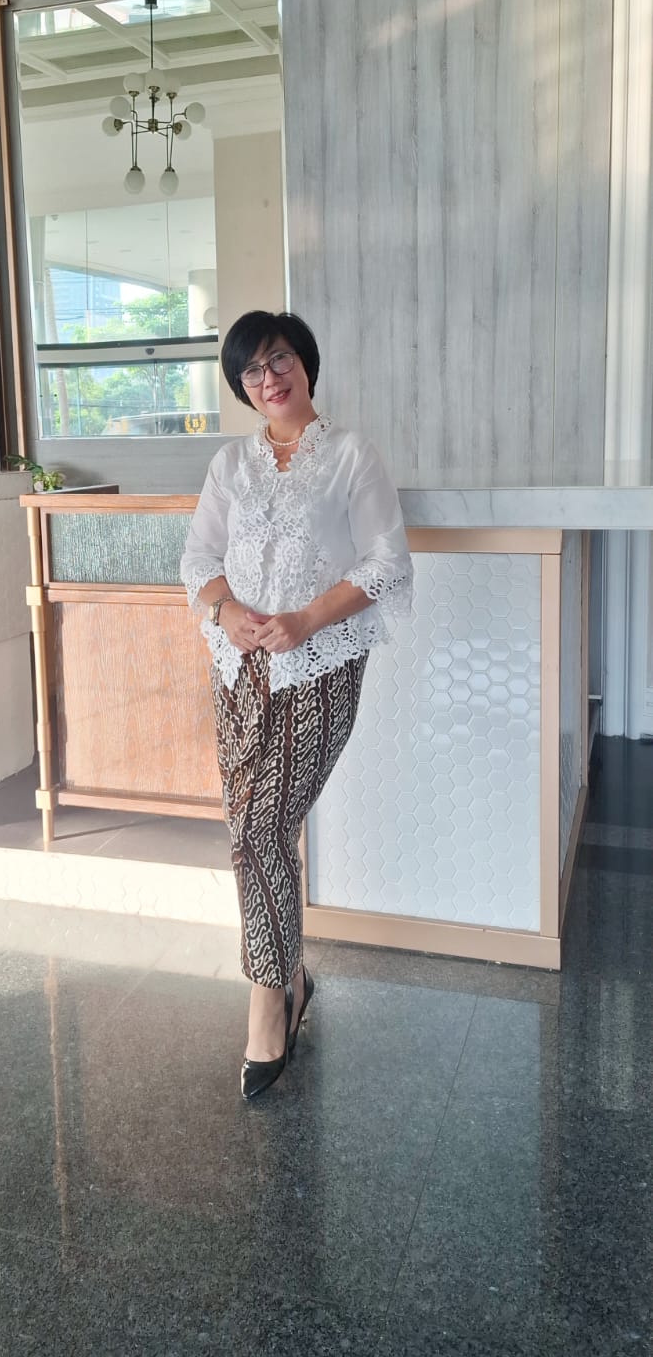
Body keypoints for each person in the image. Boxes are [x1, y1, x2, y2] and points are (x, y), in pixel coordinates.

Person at [180, 311, 413, 1100]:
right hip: (239, 672)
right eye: (250, 370)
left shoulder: (351, 455)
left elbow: (386, 561)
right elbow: (198, 558)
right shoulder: (230, 464)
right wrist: (224, 611)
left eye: (278, 359)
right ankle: (291, 974)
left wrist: (307, 619)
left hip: (321, 666)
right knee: (254, 830)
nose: (268, 378)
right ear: (241, 387)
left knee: (260, 829)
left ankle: (268, 1002)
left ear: (305, 362)